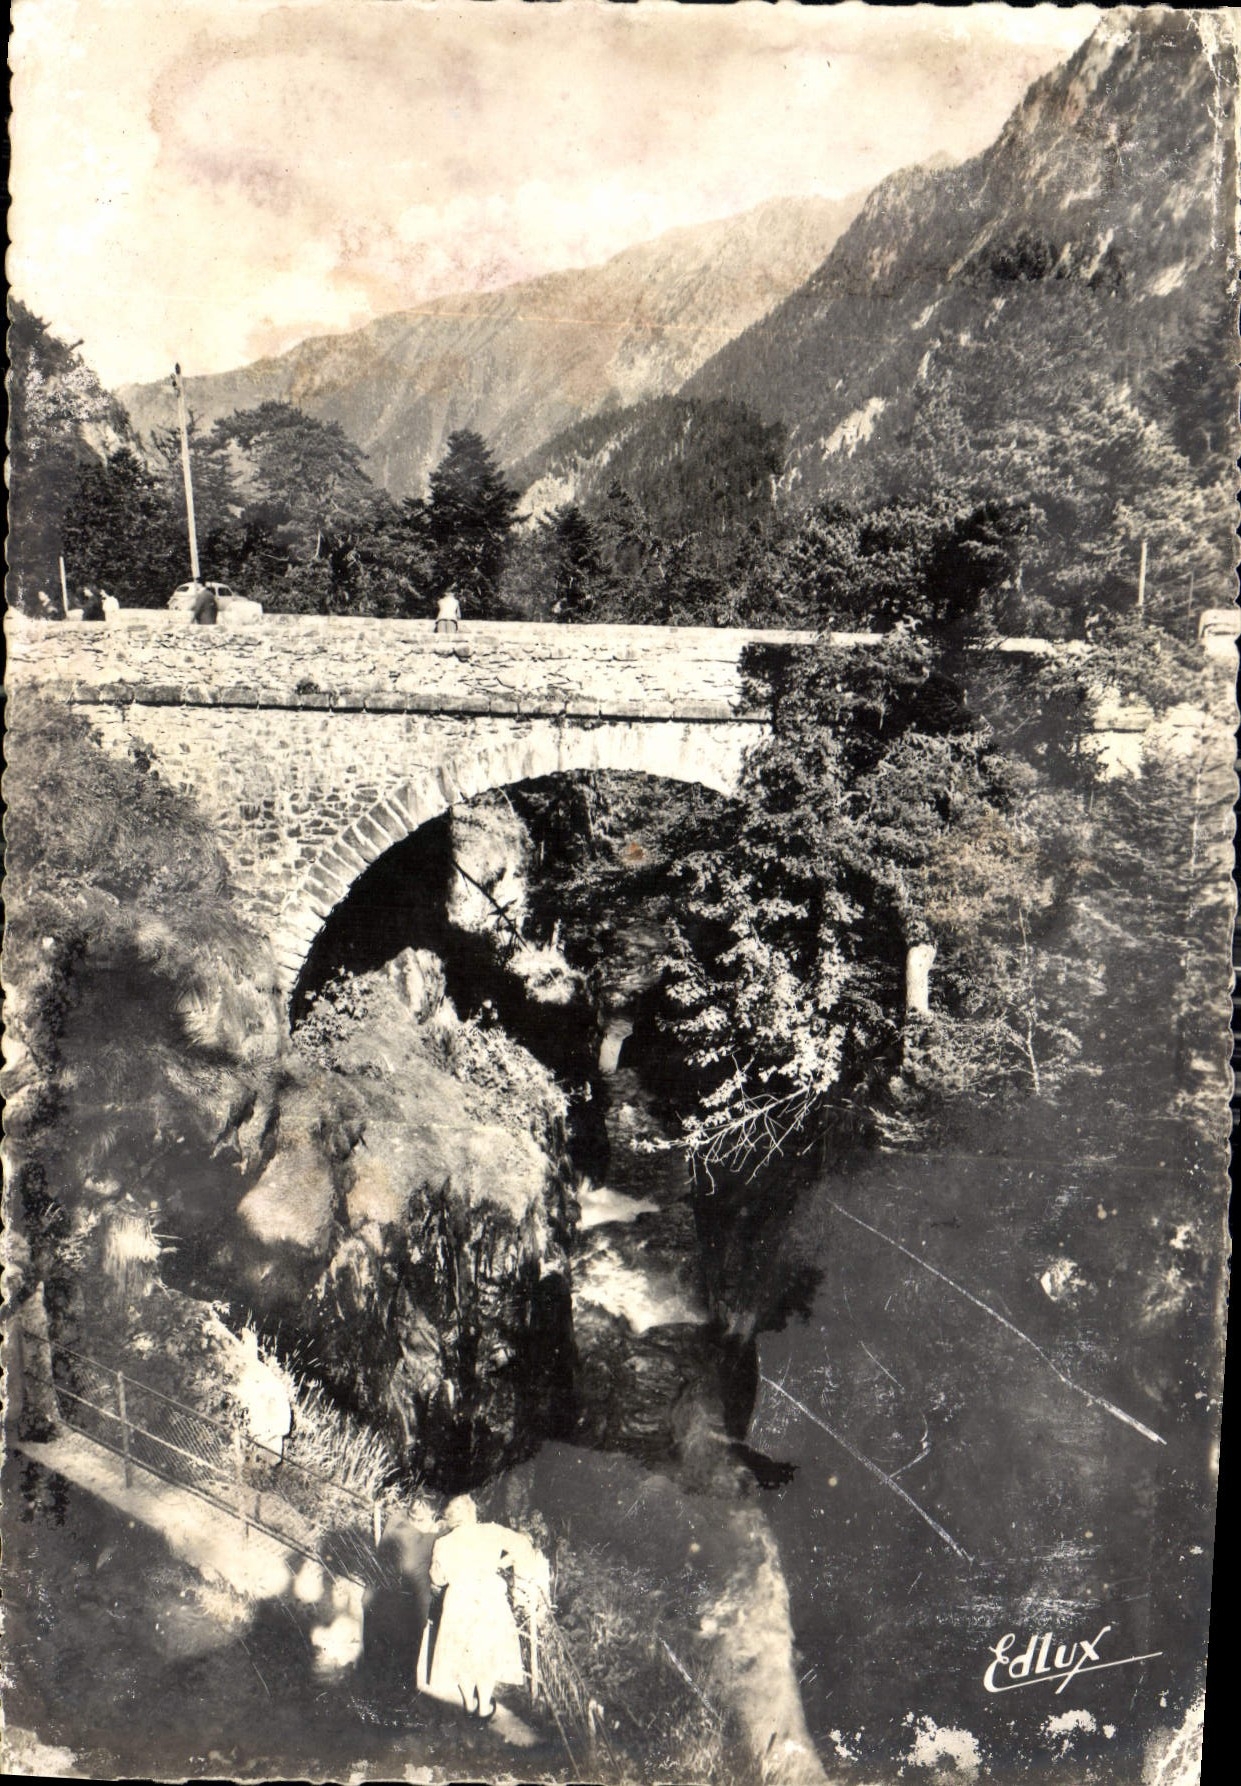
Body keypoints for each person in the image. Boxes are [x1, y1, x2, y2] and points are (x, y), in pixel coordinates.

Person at [417, 1495, 534, 1718]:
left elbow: (438, 1579)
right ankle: (484, 1708)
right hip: (488, 1598)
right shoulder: (492, 1531)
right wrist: (500, 1563)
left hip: (459, 1601)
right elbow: (523, 1546)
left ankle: (470, 1704)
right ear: (472, 1511)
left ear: (450, 1517)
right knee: (485, 1653)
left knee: (463, 1654)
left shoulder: (443, 1543)